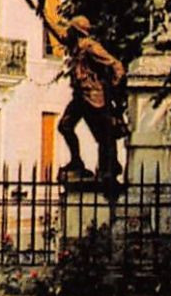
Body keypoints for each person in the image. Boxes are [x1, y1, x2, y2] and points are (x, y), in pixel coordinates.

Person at [53, 14, 126, 180]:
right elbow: (60, 35)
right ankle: (77, 162)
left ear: (76, 31)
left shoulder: (91, 47)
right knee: (65, 126)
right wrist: (44, 16)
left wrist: (114, 86)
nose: (68, 32)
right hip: (81, 96)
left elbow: (116, 65)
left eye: (71, 29)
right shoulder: (76, 45)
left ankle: (108, 169)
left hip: (94, 97)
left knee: (104, 136)